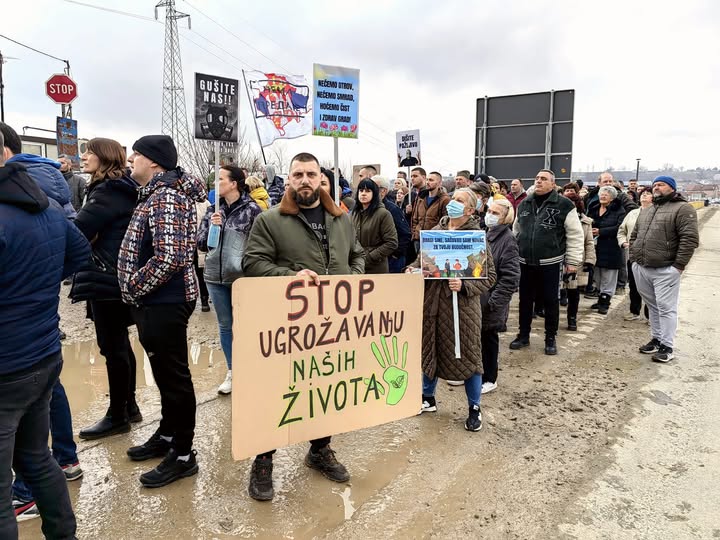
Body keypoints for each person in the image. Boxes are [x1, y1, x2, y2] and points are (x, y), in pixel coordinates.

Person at [242, 152, 365, 501]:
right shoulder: (270, 220)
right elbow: (252, 263)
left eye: (312, 174)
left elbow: (357, 255)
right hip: (288, 325)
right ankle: (264, 458)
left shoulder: (341, 218)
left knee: (325, 386)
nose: (305, 180)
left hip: (333, 323)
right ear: (289, 178)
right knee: (279, 390)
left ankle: (319, 448)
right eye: (298, 174)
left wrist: (352, 278)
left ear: (320, 178)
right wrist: (290, 277)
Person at [1, 130, 90, 538]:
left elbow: (79, 255)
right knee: (37, 457)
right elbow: (79, 254)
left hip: (10, 365)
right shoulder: (51, 208)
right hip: (42, 353)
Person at [118, 135, 207, 487]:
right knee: (165, 373)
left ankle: (183, 455)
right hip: (157, 300)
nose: (131, 159)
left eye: (136, 154)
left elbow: (169, 256)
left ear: (153, 162)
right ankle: (168, 435)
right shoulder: (157, 192)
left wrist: (133, 285)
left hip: (164, 300)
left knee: (174, 378)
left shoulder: (166, 196)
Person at [69, 138, 144, 440]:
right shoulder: (114, 188)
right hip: (112, 275)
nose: (83, 156)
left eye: (89, 152)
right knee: (120, 345)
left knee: (112, 347)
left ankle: (117, 416)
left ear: (105, 158)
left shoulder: (108, 191)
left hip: (106, 277)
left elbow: (77, 230)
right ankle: (130, 406)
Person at [411, 188, 496, 431]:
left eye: (460, 201)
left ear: (470, 210)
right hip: (433, 305)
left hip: (463, 308)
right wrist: (412, 269)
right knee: (430, 351)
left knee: (469, 356)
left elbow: (489, 277)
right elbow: (421, 262)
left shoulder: (475, 237)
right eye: (453, 198)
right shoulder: (436, 232)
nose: (453, 203)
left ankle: (474, 408)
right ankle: (428, 398)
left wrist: (465, 284)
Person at [197, 166, 262, 395]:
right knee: (226, 326)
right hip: (215, 277)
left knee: (247, 326)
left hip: (243, 278)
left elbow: (260, 246)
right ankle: (233, 371)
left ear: (234, 183)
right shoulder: (213, 210)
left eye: (221, 179)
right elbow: (203, 245)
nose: (216, 183)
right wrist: (213, 229)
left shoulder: (253, 210)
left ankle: (253, 369)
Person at [510, 169, 584, 355]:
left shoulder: (564, 205)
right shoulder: (525, 203)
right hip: (525, 261)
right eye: (537, 178)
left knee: (551, 301)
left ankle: (550, 338)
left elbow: (575, 235)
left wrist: (573, 261)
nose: (539, 181)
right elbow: (516, 229)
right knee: (525, 300)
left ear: (553, 183)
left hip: (551, 262)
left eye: (544, 179)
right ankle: (523, 335)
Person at [630, 176, 699, 362]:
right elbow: (634, 235)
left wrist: (678, 266)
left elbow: (689, 238)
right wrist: (633, 258)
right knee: (652, 305)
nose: (656, 187)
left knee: (666, 308)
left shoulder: (683, 208)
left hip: (666, 268)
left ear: (672, 188)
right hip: (642, 266)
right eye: (654, 185)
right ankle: (657, 338)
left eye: (661, 184)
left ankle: (667, 346)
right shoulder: (647, 210)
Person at [479, 198, 520, 394]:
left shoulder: (507, 240)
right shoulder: (486, 234)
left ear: (505, 218)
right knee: (478, 339)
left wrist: (495, 301)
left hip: (491, 301)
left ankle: (490, 378)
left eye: (496, 213)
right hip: (480, 297)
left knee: (489, 339)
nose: (490, 216)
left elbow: (511, 277)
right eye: (489, 211)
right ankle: (477, 374)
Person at [587, 186, 626, 314]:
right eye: (601, 194)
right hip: (596, 247)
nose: (603, 196)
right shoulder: (594, 208)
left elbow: (619, 227)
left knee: (609, 276)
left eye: (606, 195)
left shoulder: (619, 210)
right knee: (597, 274)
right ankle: (600, 298)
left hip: (611, 247)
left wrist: (601, 231)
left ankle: (605, 301)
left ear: (613, 197)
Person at [562, 192, 596, 330]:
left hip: (577, 260)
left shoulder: (585, 222)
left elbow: (589, 243)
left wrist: (590, 260)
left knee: (573, 292)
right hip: (558, 259)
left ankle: (572, 318)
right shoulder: (560, 218)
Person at [618, 188, 653, 321]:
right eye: (643, 193)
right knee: (634, 284)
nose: (644, 194)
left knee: (650, 286)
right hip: (633, 254)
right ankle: (634, 311)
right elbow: (622, 230)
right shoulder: (633, 213)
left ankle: (651, 315)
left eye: (648, 193)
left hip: (651, 255)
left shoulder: (657, 212)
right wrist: (623, 242)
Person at [351, 179, 398, 274]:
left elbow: (392, 242)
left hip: (376, 268)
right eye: (361, 190)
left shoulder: (383, 214)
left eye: (368, 191)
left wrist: (369, 257)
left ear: (374, 194)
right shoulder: (353, 214)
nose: (363, 194)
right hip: (356, 267)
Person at [372, 175, 411, 273]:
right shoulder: (367, 209)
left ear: (383, 191)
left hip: (392, 261)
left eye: (372, 187)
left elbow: (405, 234)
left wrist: (395, 254)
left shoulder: (392, 209)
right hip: (375, 260)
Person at [409, 171, 450, 253]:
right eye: (427, 180)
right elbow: (414, 218)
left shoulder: (445, 199)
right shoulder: (421, 197)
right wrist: (415, 233)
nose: (428, 182)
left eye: (431, 180)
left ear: (439, 183)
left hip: (434, 240)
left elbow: (445, 222)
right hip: (418, 239)